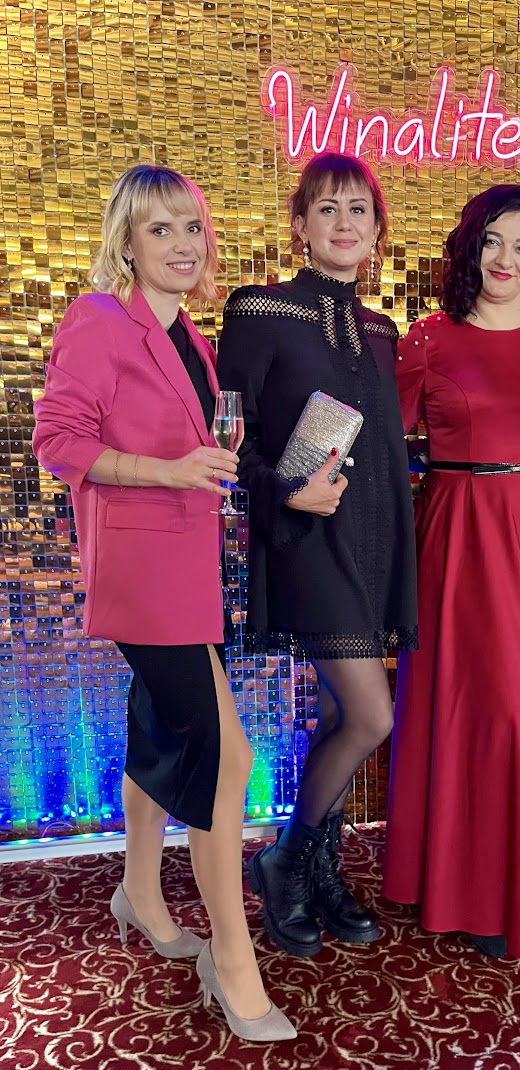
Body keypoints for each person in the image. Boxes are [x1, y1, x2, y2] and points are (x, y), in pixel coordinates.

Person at [32, 165, 296, 1042]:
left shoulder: (188, 333)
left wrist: (241, 476)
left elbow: (204, 449)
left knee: (159, 733)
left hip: (188, 571)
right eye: (160, 230)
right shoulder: (98, 320)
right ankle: (232, 960)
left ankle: (140, 892)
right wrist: (170, 472)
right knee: (227, 761)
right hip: (143, 576)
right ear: (127, 243)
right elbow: (58, 441)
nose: (183, 245)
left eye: (191, 227)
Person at [217, 152, 417, 958]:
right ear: (299, 224)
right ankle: (286, 859)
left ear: (377, 230)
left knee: (342, 716)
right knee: (373, 716)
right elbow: (230, 442)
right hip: (305, 540)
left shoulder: (382, 331)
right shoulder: (258, 309)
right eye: (326, 208)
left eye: (358, 209)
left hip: (372, 542)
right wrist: (285, 494)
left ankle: (318, 872)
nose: (343, 222)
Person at [382, 184, 520, 960]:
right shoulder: (429, 340)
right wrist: (294, 472)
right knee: (486, 709)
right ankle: (477, 889)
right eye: (494, 241)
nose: (507, 259)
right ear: (471, 246)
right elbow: (371, 433)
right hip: (463, 539)